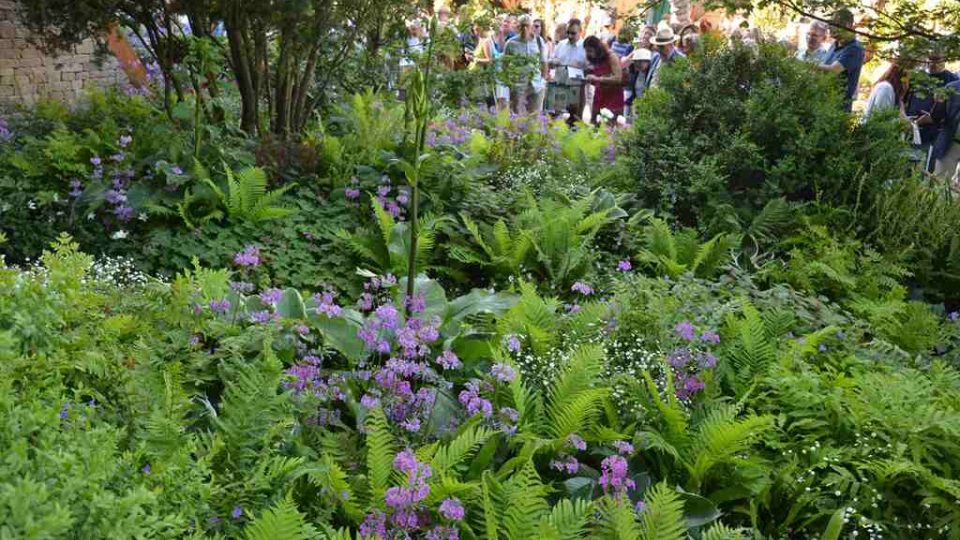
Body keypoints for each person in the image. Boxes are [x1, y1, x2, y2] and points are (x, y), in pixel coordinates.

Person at [818, 9, 865, 113]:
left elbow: (834, 70)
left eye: (834, 24)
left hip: (837, 110)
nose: (829, 27)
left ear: (847, 25)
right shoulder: (834, 45)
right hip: (822, 104)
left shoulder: (855, 48)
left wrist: (807, 65)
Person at [505, 15, 549, 115]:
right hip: (518, 86)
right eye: (522, 26)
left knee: (534, 117)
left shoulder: (539, 41)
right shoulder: (511, 43)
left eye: (527, 26)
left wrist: (543, 81)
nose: (525, 29)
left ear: (531, 27)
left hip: (536, 85)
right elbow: (505, 64)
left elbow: (544, 62)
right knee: (518, 117)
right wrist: (509, 82)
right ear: (517, 28)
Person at [549, 18, 587, 121]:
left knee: (574, 120)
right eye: (568, 33)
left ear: (580, 32)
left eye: (573, 33)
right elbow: (553, 60)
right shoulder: (561, 44)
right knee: (554, 118)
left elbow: (591, 69)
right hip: (559, 87)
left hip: (576, 89)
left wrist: (582, 68)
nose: (570, 36)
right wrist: (553, 62)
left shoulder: (585, 47)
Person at [584, 35, 624, 124]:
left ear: (597, 49)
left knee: (609, 126)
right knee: (594, 124)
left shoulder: (611, 57)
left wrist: (598, 79)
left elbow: (618, 78)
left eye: (590, 51)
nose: (589, 54)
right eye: (587, 51)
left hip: (613, 97)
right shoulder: (595, 59)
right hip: (599, 96)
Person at [646, 24, 685, 89]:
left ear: (671, 45)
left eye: (661, 46)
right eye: (657, 45)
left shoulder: (681, 61)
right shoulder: (656, 57)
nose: (658, 49)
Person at [624, 47, 652, 119]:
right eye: (636, 62)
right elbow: (634, 93)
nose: (637, 64)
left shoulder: (651, 76)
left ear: (647, 62)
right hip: (637, 107)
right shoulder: (636, 74)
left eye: (640, 62)